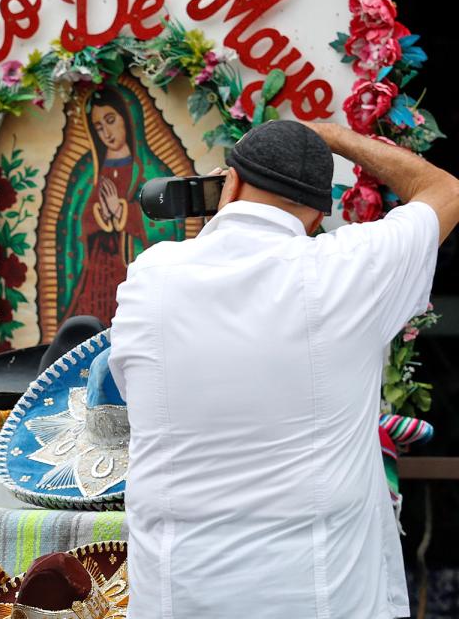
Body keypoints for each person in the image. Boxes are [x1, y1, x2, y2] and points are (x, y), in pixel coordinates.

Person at [108, 119, 459, 619]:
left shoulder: (148, 278)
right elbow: (445, 189)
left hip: (179, 593)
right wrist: (335, 137)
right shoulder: (350, 270)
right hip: (319, 597)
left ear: (227, 183)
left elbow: (132, 394)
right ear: (317, 216)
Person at [55, 85, 177, 326]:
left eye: (111, 120)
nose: (106, 133)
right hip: (95, 273)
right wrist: (100, 213)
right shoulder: (87, 172)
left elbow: (168, 228)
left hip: (132, 271)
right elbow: (71, 221)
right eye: (98, 127)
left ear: (128, 119)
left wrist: (122, 211)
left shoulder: (152, 171)